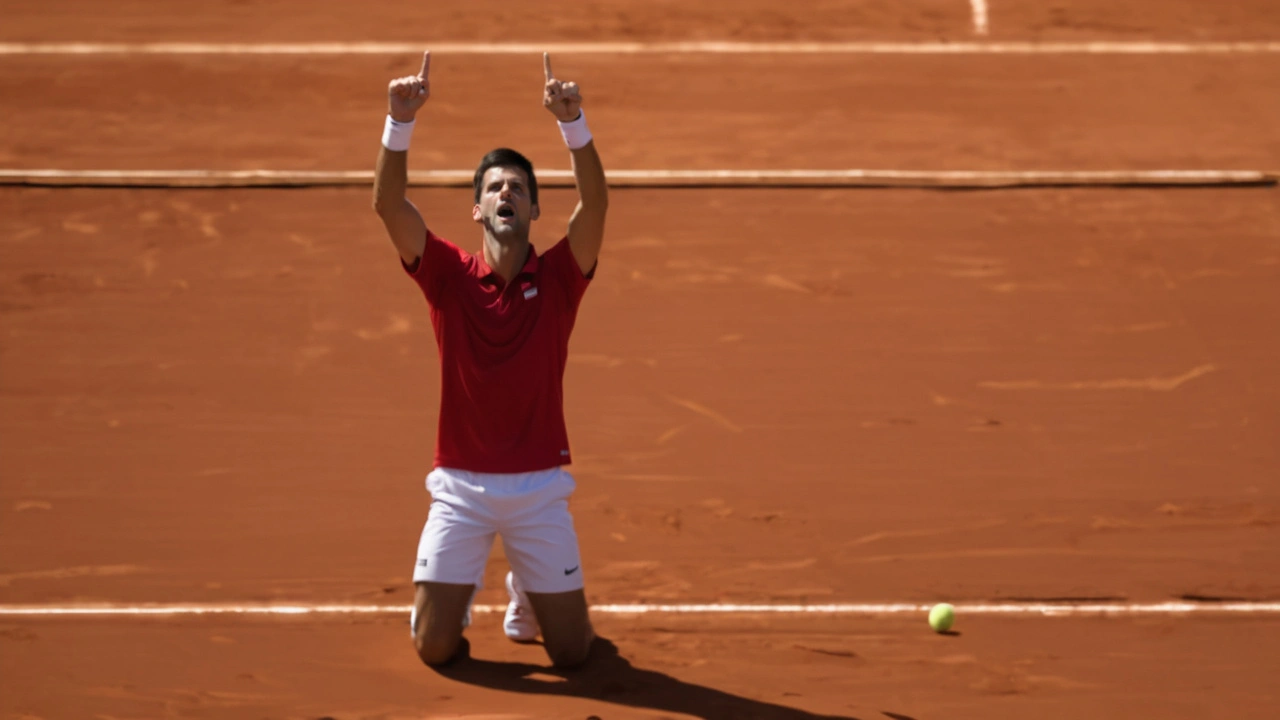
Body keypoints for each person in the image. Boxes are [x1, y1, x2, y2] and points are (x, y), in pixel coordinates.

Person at [372, 49, 608, 669]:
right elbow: (389, 206)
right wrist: (400, 122)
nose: (507, 191)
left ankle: (528, 585)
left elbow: (597, 203)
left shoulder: (559, 277)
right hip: (460, 488)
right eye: (495, 187)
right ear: (478, 210)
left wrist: (573, 122)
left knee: (576, 654)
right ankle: (453, 591)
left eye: (520, 188)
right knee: (435, 647)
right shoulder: (447, 275)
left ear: (533, 212)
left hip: (539, 488)